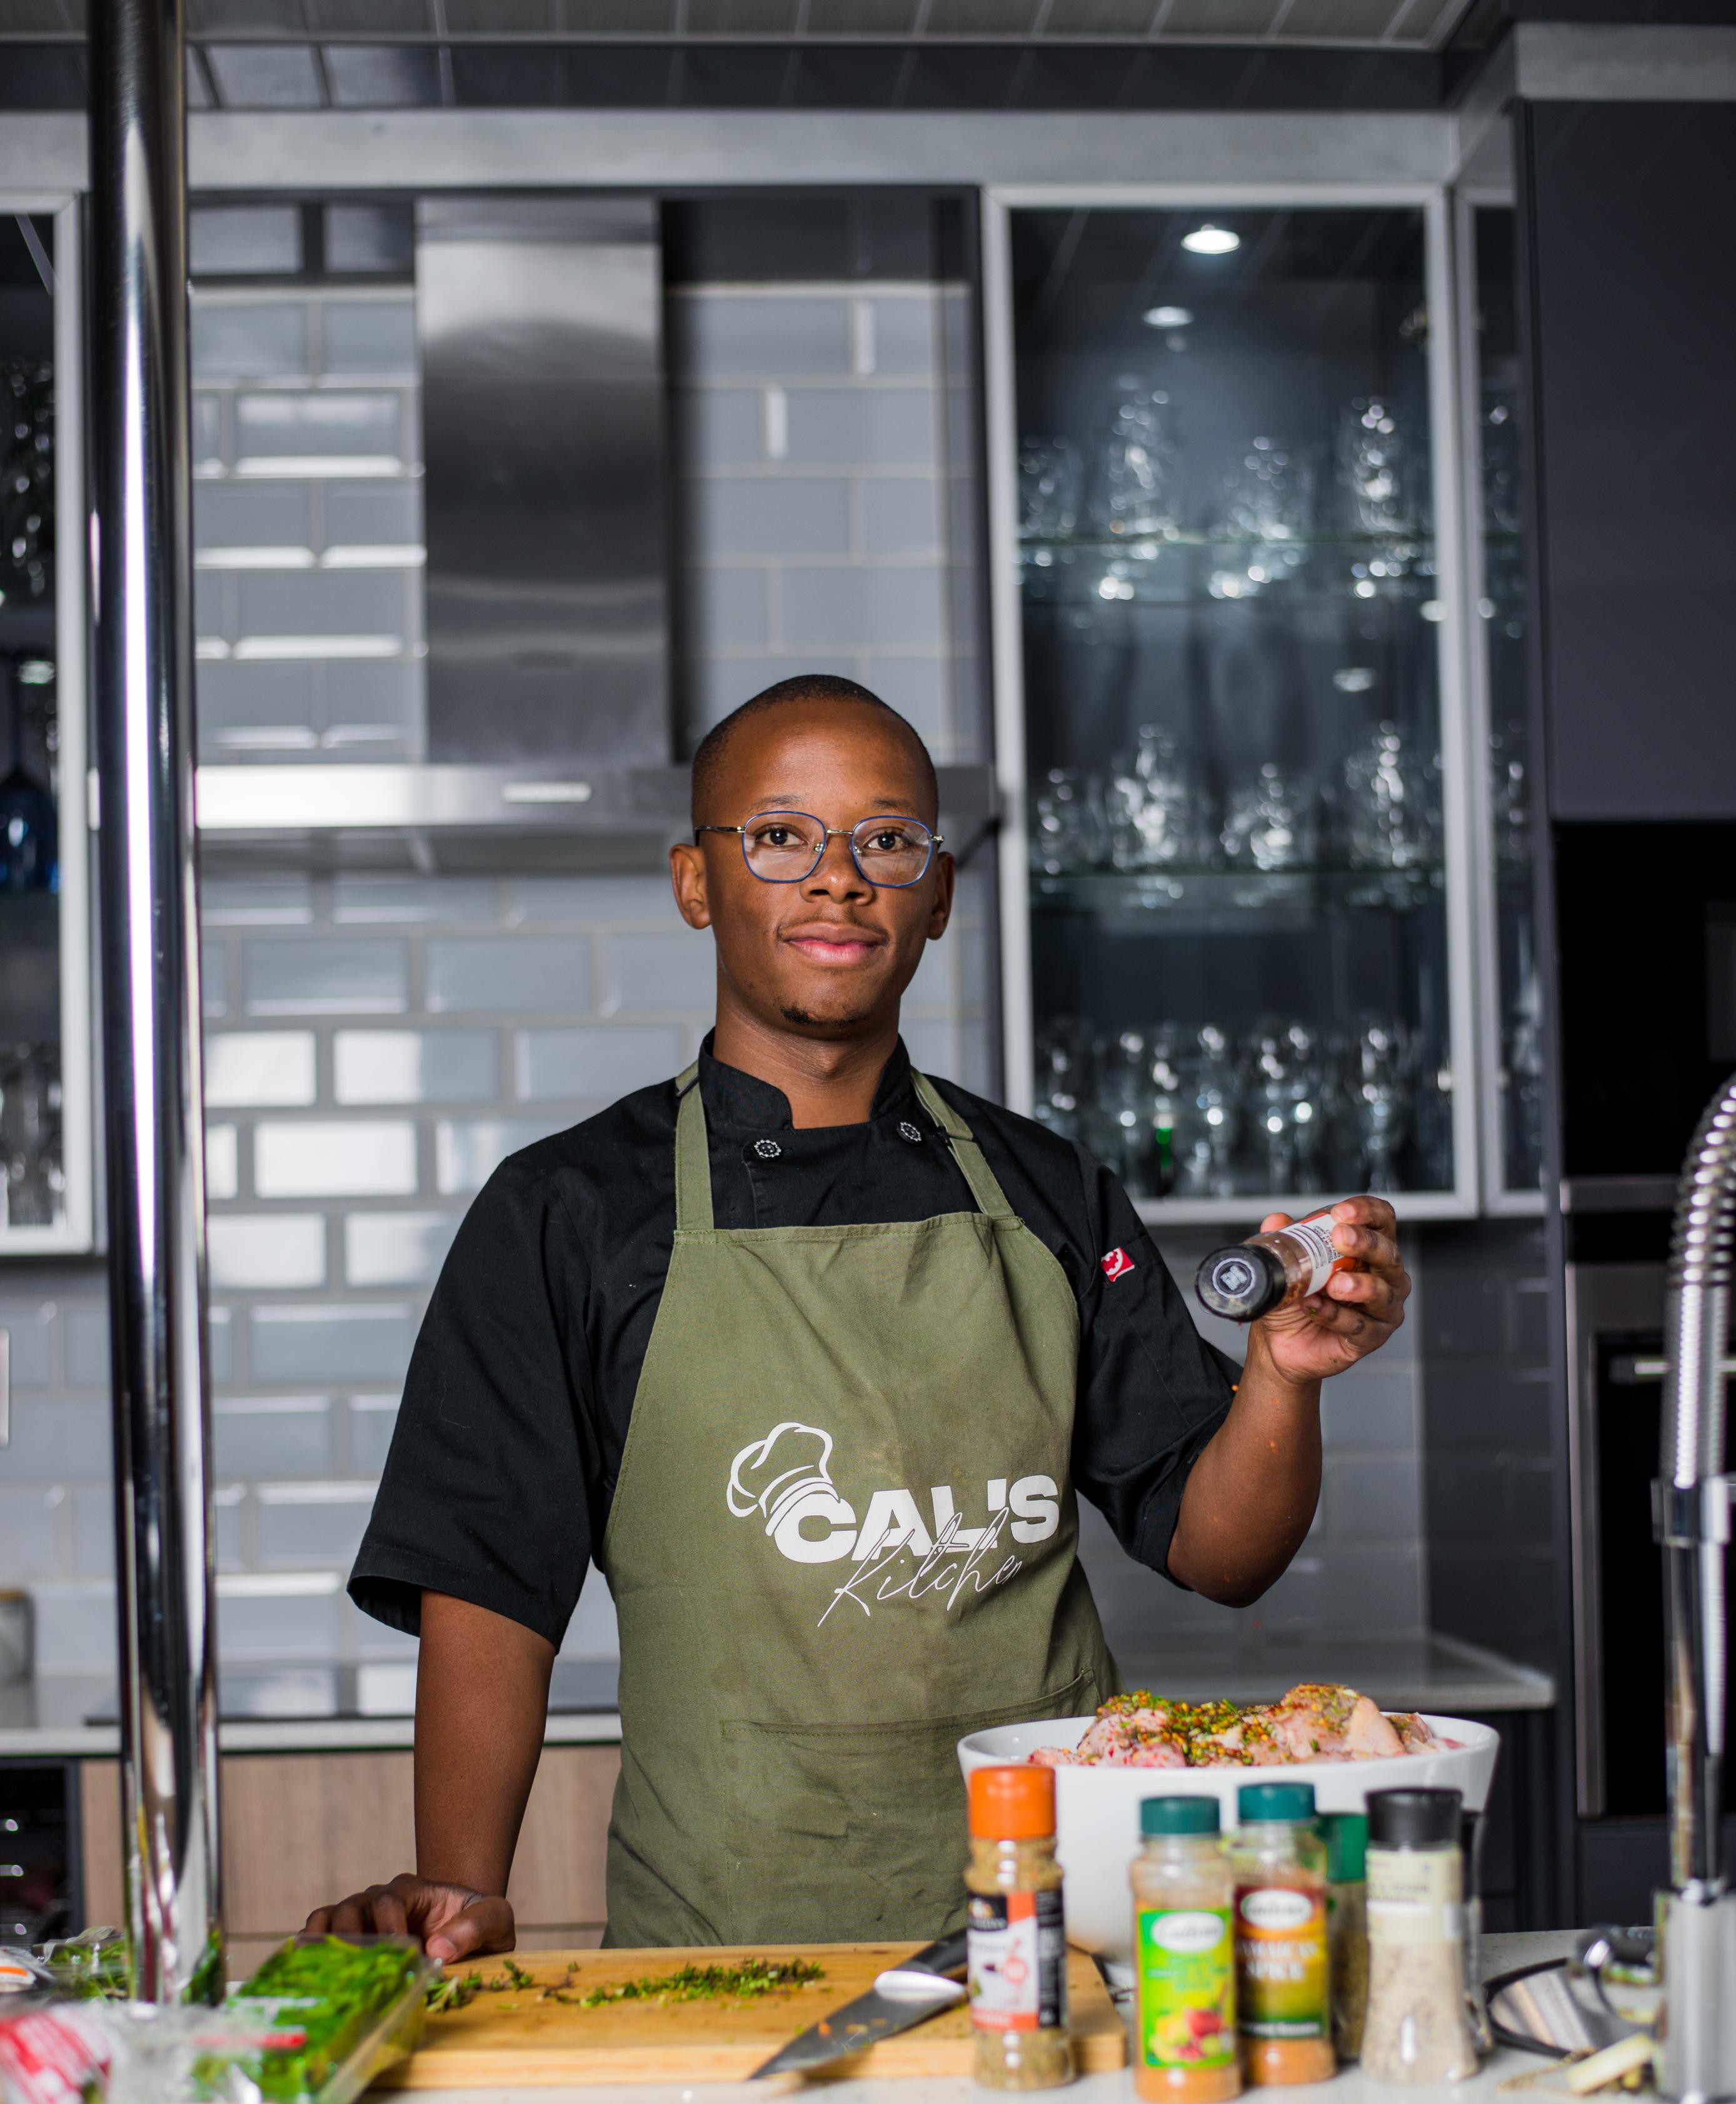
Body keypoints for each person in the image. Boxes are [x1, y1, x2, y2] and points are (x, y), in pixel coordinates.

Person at [304, 674, 1410, 1958]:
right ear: (696, 884)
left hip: (1067, 1931)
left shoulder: (1051, 1193)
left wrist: (1282, 1376)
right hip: (724, 1945)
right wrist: (465, 1885)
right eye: (779, 836)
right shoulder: (567, 1211)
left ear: (937, 893)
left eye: (887, 839)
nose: (839, 879)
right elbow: (489, 1589)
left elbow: (1222, 1554)